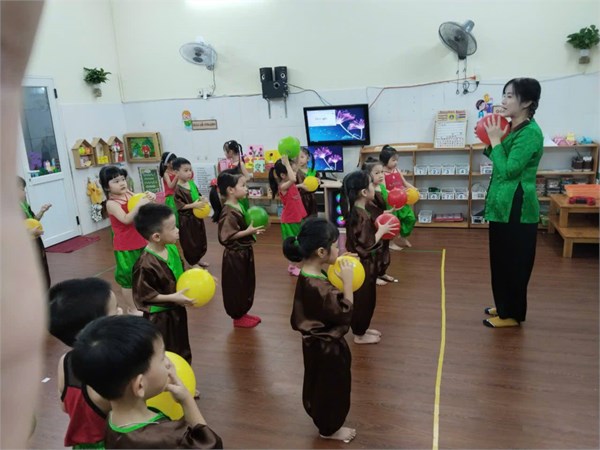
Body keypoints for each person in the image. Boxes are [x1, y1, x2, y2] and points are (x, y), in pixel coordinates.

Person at [71, 316, 223, 449]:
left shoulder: (112, 420)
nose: (169, 363)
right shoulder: (169, 437)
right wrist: (187, 400)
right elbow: (211, 445)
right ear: (140, 385)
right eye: (162, 357)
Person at [283, 217, 356, 443]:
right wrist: (348, 283)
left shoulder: (308, 274)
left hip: (315, 345)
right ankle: (329, 429)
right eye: (335, 245)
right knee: (332, 387)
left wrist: (338, 262)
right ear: (322, 252)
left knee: (319, 384)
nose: (339, 248)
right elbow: (344, 311)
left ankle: (325, 421)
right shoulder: (319, 287)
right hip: (327, 348)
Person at [481, 77, 543, 328]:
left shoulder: (530, 133)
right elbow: (498, 157)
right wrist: (493, 137)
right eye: (504, 95)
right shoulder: (512, 127)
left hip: (518, 205)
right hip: (502, 203)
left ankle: (512, 315)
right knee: (500, 259)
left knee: (515, 261)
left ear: (526, 102)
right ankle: (504, 306)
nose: (503, 101)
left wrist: (496, 140)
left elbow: (509, 170)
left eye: (510, 96)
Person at [49, 277, 122, 449]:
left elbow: (64, 406)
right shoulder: (114, 366)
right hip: (115, 443)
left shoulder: (65, 362)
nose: (120, 312)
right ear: (93, 330)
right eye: (114, 311)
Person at [341, 170, 398, 344]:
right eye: (372, 185)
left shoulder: (360, 211)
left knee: (367, 298)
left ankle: (362, 329)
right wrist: (382, 231)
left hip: (365, 265)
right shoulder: (361, 216)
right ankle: (359, 334)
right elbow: (367, 245)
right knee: (364, 301)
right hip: (363, 265)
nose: (375, 187)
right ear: (364, 192)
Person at [133, 203, 194, 362]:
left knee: (181, 346)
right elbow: (144, 295)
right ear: (156, 237)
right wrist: (173, 298)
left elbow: (180, 272)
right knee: (166, 352)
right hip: (160, 318)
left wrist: (199, 277)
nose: (178, 230)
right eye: (173, 228)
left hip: (177, 310)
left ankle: (183, 374)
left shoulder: (171, 248)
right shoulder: (145, 264)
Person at [209, 170, 265, 328]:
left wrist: (250, 231)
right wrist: (248, 232)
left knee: (246, 283)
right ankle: (237, 316)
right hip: (235, 257)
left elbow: (240, 227)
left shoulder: (238, 204)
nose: (246, 188)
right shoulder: (228, 212)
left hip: (244, 253)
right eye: (243, 185)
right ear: (231, 190)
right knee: (237, 286)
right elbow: (225, 237)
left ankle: (243, 312)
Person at [100, 165, 155, 315]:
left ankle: (144, 300)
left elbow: (142, 206)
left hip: (141, 240)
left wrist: (149, 197)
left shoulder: (129, 194)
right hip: (125, 247)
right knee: (128, 279)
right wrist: (139, 204)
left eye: (123, 179)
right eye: (116, 181)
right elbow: (126, 219)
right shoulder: (111, 204)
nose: (122, 183)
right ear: (107, 187)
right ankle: (132, 308)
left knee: (144, 272)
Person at [268, 155, 307, 276]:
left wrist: (301, 186)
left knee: (297, 241)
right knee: (294, 243)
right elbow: (293, 180)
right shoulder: (283, 186)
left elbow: (294, 181)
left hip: (296, 217)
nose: (294, 174)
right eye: (291, 171)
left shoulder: (289, 183)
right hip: (290, 220)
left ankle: (293, 265)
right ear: (283, 175)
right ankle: (294, 266)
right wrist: (287, 164)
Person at [361, 159, 398, 285]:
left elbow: (381, 207)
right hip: (374, 226)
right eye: (377, 173)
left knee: (385, 249)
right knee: (376, 250)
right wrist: (382, 214)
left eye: (382, 172)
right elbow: (371, 210)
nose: (381, 175)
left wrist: (388, 211)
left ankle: (382, 272)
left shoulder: (381, 187)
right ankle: (374, 275)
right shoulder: (368, 191)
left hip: (382, 224)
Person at [173, 157, 210, 268]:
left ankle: (198, 259)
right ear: (176, 172)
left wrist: (203, 198)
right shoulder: (178, 189)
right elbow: (180, 206)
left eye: (190, 170)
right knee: (190, 242)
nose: (189, 173)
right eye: (186, 170)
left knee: (199, 239)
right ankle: (192, 263)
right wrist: (194, 205)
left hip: (196, 218)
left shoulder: (191, 183)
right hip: (187, 220)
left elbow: (197, 195)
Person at [379, 145, 417, 250]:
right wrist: (397, 193)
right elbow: (384, 190)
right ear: (385, 160)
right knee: (393, 222)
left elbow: (405, 183)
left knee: (410, 218)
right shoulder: (382, 173)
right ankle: (390, 243)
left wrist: (414, 189)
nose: (396, 162)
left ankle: (403, 236)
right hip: (391, 203)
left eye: (397, 160)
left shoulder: (397, 170)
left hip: (403, 201)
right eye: (393, 160)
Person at [18, 176, 52, 289]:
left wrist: (42, 211)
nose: (25, 193)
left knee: (42, 270)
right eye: (22, 190)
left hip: (36, 242)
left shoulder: (24, 205)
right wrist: (31, 232)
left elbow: (33, 220)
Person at [221, 140, 251, 211]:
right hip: (233, 193)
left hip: (239, 193)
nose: (225, 153)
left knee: (242, 210)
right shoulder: (231, 163)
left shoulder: (240, 164)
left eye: (225, 151)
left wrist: (239, 182)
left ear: (231, 152)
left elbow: (248, 177)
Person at [296, 147, 319, 218]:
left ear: (308, 158)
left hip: (312, 201)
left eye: (302, 157)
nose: (299, 159)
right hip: (299, 200)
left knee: (312, 220)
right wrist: (300, 185)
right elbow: (291, 187)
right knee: (302, 220)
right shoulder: (294, 172)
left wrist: (318, 182)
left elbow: (316, 187)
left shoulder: (313, 172)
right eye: (297, 157)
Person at [159, 152, 179, 226]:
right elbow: (170, 186)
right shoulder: (166, 173)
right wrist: (176, 176)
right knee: (176, 219)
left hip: (178, 196)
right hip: (171, 199)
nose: (176, 162)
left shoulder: (176, 170)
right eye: (173, 161)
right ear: (167, 164)